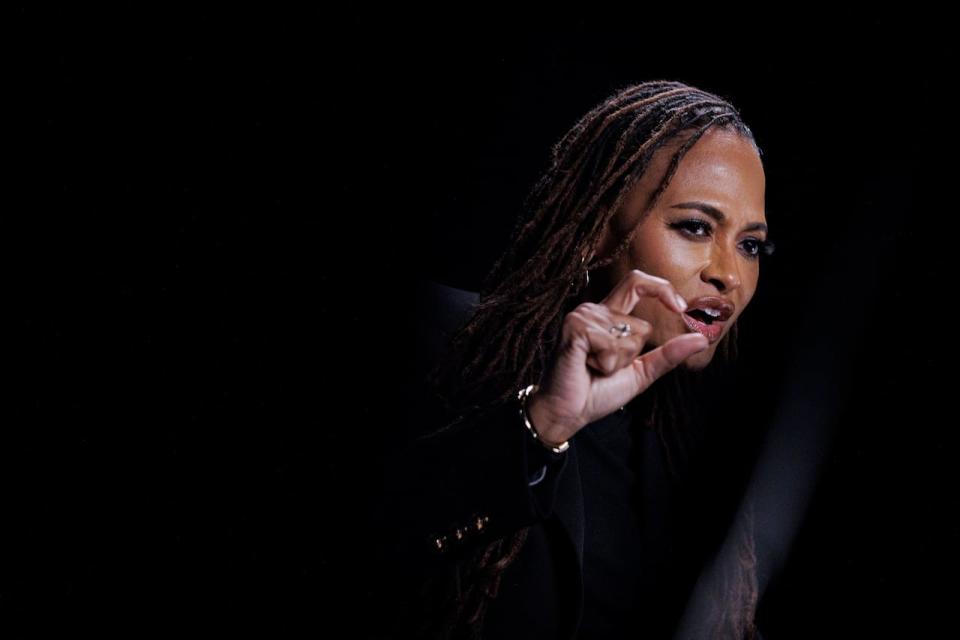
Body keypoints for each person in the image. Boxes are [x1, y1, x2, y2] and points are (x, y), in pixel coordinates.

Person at [369, 79, 776, 639]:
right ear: (600, 233)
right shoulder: (443, 338)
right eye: (696, 228)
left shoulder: (699, 452)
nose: (728, 274)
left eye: (750, 244)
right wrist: (540, 427)